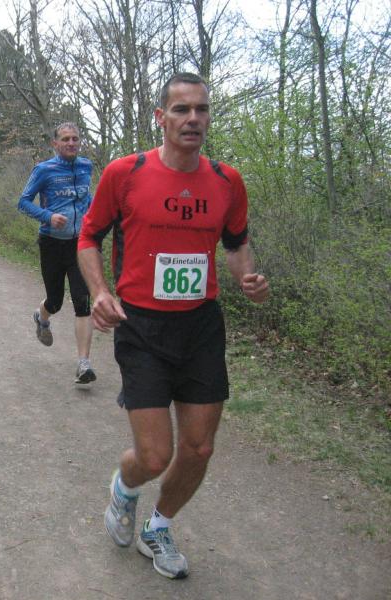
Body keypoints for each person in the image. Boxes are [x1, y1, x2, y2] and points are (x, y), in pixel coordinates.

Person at [77, 73, 269, 580]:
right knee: (154, 455)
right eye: (181, 109)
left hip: (200, 326)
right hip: (141, 326)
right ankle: (125, 488)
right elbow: (89, 237)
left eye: (201, 109)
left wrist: (246, 277)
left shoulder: (227, 180)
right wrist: (100, 291)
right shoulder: (126, 173)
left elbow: (236, 243)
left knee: (200, 447)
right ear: (161, 118)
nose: (193, 119)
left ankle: (158, 527)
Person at [17, 122, 96, 384]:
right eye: (65, 139)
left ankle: (84, 364)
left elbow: (86, 199)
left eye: (75, 138)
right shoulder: (44, 170)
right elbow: (23, 202)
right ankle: (41, 317)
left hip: (79, 244)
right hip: (51, 243)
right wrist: (48, 216)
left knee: (82, 301)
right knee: (56, 301)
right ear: (55, 143)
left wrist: (94, 214)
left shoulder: (86, 166)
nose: (71, 143)